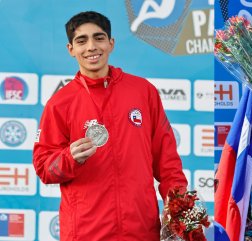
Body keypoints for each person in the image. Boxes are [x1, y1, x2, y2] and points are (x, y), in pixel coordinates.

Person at [33, 11, 187, 240]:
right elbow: (44, 168)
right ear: (71, 49)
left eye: (99, 38)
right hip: (86, 233)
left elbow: (168, 165)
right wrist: (70, 158)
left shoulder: (143, 92)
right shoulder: (59, 103)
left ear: (111, 43)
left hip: (141, 230)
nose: (91, 47)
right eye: (81, 41)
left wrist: (181, 212)